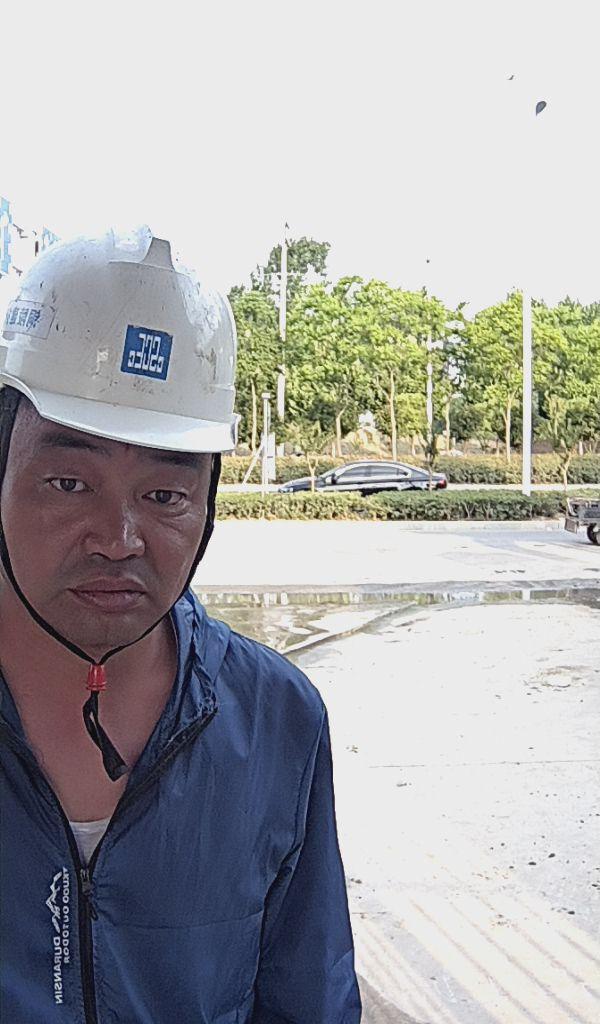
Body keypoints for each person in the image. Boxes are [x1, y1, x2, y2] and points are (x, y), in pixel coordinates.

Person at [0, 228, 362, 1023]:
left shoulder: (276, 721)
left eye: (164, 495)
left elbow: (309, 999)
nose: (118, 539)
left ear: (207, 505)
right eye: (68, 482)